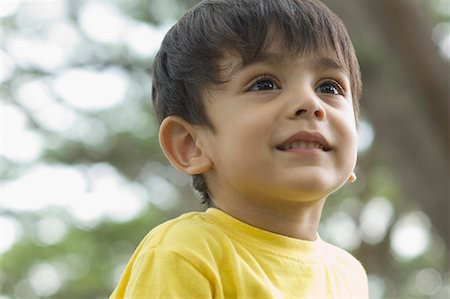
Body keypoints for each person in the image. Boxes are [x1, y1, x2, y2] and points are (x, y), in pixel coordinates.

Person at [111, 0, 368, 297]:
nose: (310, 103)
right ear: (191, 144)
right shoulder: (186, 253)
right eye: (265, 84)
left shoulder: (349, 275)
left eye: (329, 87)